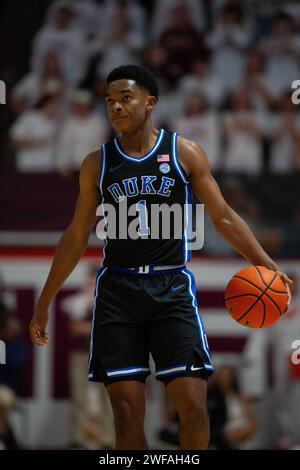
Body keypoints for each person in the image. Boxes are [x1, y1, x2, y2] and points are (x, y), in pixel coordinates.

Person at [29, 64, 292, 450]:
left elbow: (222, 215)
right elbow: (75, 236)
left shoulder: (184, 152)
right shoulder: (97, 164)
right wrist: (44, 300)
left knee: (193, 407)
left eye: (125, 98)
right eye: (110, 101)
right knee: (127, 418)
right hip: (117, 292)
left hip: (171, 288)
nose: (116, 107)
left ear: (150, 102)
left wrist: (266, 262)